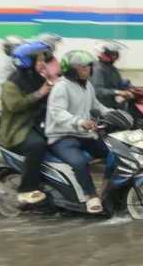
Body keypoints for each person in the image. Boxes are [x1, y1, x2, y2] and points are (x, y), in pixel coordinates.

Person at [46, 50, 117, 213]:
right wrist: (80, 122)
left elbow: (96, 106)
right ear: (71, 70)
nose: (88, 70)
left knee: (115, 152)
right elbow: (57, 112)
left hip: (84, 135)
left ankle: (105, 189)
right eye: (83, 67)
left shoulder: (87, 86)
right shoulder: (61, 87)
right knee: (79, 162)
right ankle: (91, 196)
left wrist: (114, 114)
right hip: (61, 137)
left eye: (88, 66)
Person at [0, 41, 53, 205]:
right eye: (40, 60)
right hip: (18, 130)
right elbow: (15, 106)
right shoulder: (12, 83)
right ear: (28, 62)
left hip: (35, 123)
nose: (44, 63)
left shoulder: (36, 78)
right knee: (36, 145)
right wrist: (39, 93)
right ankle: (26, 189)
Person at [91, 40, 134, 110]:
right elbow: (98, 90)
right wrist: (118, 92)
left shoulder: (112, 69)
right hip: (100, 108)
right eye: (113, 53)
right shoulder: (97, 68)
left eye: (116, 53)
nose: (115, 55)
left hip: (112, 105)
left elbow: (119, 85)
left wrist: (136, 90)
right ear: (104, 53)